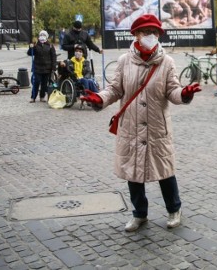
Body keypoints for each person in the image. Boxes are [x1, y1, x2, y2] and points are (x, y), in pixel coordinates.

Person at [79, 14, 202, 232]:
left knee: (165, 171)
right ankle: (139, 214)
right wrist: (100, 98)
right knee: (133, 172)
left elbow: (172, 91)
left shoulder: (166, 62)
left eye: (155, 32)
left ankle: (174, 209)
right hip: (132, 127)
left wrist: (183, 93)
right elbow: (116, 89)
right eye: (146, 32)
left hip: (157, 127)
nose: (151, 36)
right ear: (136, 35)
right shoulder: (125, 60)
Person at [26, 30, 57, 103]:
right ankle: (33, 97)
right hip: (37, 67)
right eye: (41, 35)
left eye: (44, 35)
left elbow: (53, 57)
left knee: (44, 83)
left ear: (47, 37)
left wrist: (53, 67)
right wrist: (31, 47)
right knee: (36, 82)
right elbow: (30, 53)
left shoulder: (50, 45)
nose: (42, 36)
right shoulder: (36, 44)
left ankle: (42, 96)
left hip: (47, 68)